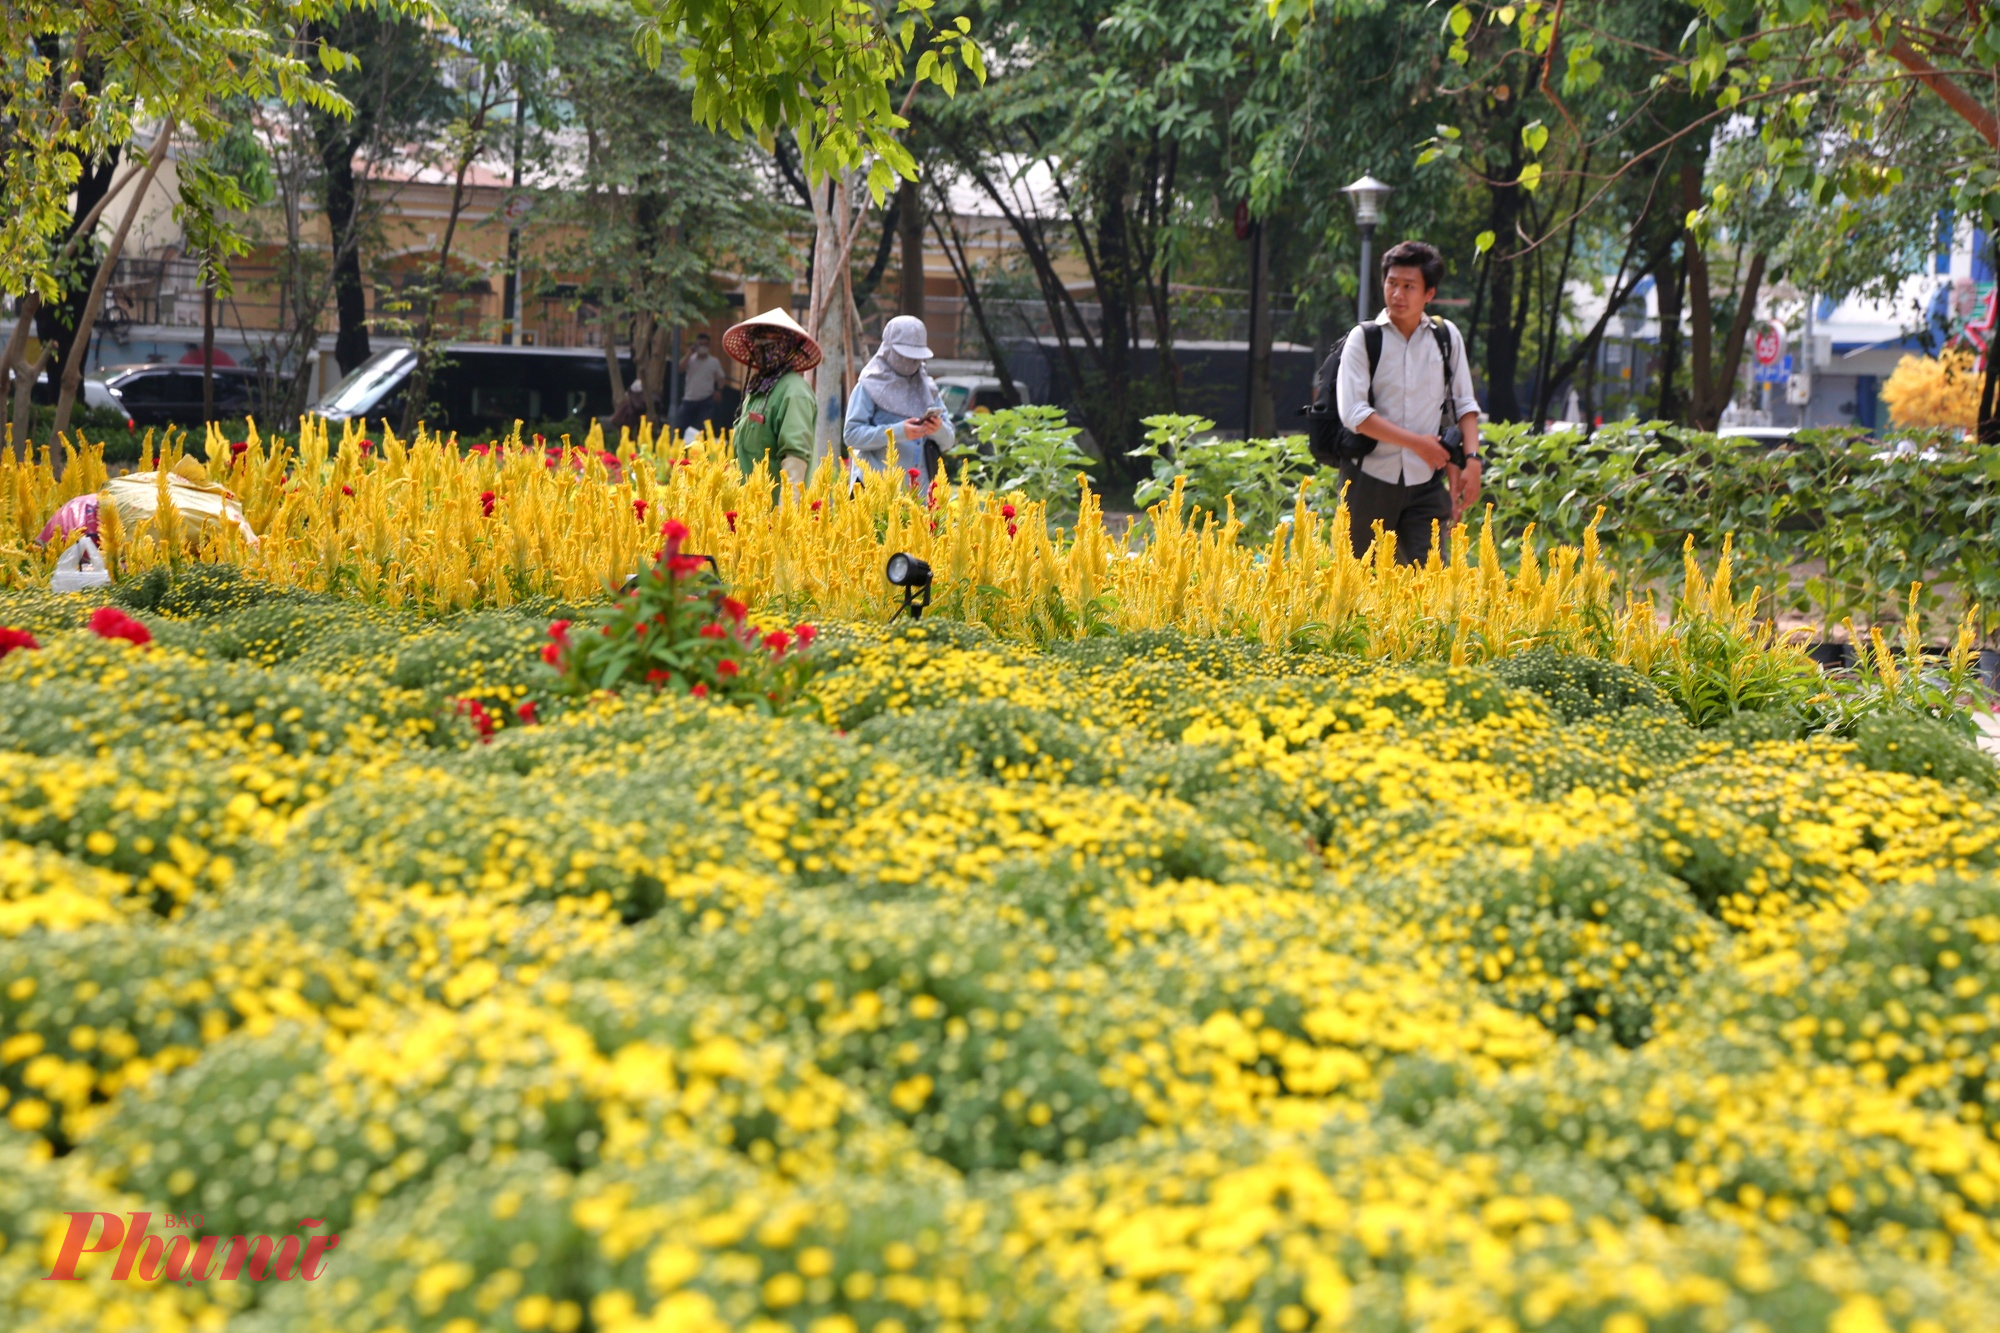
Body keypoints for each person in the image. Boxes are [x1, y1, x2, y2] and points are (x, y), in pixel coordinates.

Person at [1332, 239, 1484, 563]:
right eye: (1392, 283)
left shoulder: (1446, 336)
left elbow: (1464, 403)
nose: (1398, 294)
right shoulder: (1364, 338)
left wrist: (1472, 459)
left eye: (1408, 286)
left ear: (1429, 293)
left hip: (1426, 481)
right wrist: (1418, 443)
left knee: (1431, 581)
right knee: (1361, 584)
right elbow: (1355, 414)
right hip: (1368, 480)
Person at [844, 315, 954, 483]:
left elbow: (949, 440)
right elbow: (852, 435)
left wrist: (937, 429)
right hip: (875, 493)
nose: (910, 362)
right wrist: (897, 432)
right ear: (888, 349)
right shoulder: (869, 384)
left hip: (919, 494)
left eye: (916, 358)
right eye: (904, 356)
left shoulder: (927, 387)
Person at [723, 309, 819, 487]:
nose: (765, 345)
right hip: (747, 508)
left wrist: (785, 513)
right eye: (760, 339)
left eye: (774, 341)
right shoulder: (756, 390)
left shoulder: (795, 392)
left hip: (773, 511)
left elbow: (795, 459)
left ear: (790, 346)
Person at [677, 333, 728, 436]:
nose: (703, 347)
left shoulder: (714, 362)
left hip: (705, 400)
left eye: (705, 345)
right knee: (680, 427)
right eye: (700, 344)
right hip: (689, 399)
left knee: (704, 429)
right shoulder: (690, 360)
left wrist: (719, 390)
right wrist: (689, 353)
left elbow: (721, 378)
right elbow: (680, 369)